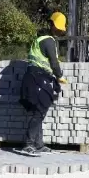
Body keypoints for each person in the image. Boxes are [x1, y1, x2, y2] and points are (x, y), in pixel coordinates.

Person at [18, 12, 68, 156]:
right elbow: (53, 62)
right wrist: (59, 76)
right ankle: (28, 144)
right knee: (39, 111)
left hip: (34, 77)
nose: (59, 31)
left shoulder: (40, 39)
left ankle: (38, 144)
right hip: (37, 78)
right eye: (58, 28)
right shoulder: (49, 41)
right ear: (52, 25)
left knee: (38, 112)